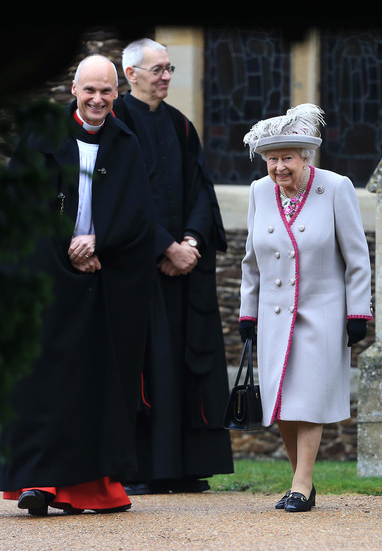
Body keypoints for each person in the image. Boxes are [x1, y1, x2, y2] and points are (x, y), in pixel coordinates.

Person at [0, 54, 155, 516]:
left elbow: (140, 217)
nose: (97, 99)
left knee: (95, 383)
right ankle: (37, 483)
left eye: (106, 91)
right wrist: (66, 251)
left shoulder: (126, 144)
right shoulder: (41, 139)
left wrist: (101, 244)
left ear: (116, 94)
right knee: (42, 381)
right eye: (90, 90)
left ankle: (89, 487)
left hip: (104, 281)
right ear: (74, 91)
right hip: (46, 278)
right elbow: (19, 213)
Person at [111, 38, 233, 495]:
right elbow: (121, 196)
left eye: (169, 68)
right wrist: (164, 246)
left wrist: (192, 242)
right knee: (148, 364)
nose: (165, 76)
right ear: (131, 74)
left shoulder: (182, 127)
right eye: (157, 69)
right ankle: (141, 469)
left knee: (188, 361)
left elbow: (203, 189)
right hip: (139, 270)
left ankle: (185, 467)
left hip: (184, 271)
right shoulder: (116, 123)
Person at [238, 104, 372, 512]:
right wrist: (248, 312)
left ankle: (301, 483)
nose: (278, 167)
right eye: (271, 159)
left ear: (305, 156)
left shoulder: (335, 187)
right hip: (275, 316)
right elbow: (250, 260)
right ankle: (303, 485)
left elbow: (357, 256)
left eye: (286, 158)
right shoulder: (260, 192)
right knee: (281, 402)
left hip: (322, 313)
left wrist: (357, 313)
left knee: (309, 397)